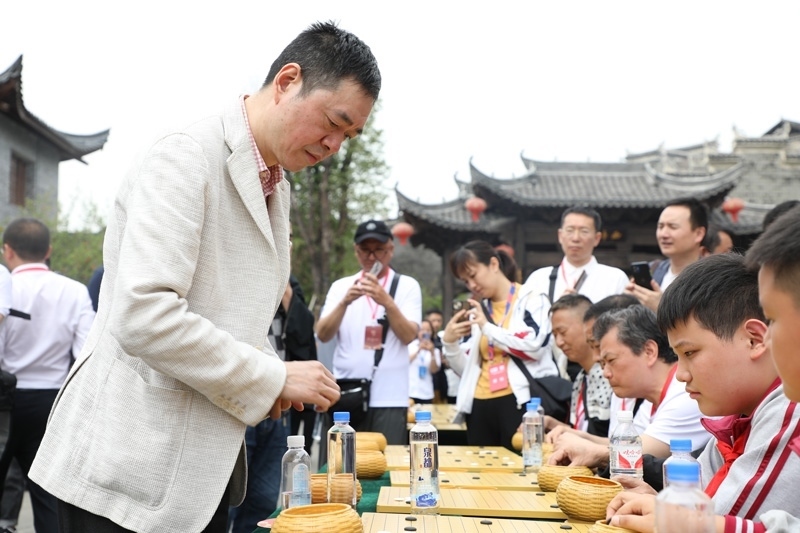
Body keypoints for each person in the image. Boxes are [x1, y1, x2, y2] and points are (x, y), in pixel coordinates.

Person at [29, 21, 378, 533]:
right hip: (129, 464)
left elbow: (231, 314)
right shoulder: (186, 154)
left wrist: (271, 369)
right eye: (333, 122)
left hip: (197, 470)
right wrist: (274, 376)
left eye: (348, 136)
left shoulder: (276, 183)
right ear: (287, 81)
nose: (334, 145)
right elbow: (144, 315)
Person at [606, 253, 800, 532]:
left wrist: (674, 517)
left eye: (690, 353)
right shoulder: (735, 417)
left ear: (754, 339)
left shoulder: (788, 408)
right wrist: (659, 504)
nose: (681, 374)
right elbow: (699, 513)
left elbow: (707, 524)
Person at [0, 218, 96, 533]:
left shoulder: (5, 287)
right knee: (48, 498)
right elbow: (86, 352)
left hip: (5, 399)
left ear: (7, 250)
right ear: (48, 251)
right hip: (52, 403)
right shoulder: (76, 291)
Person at [549, 305, 709, 468]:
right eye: (603, 364)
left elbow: (635, 454)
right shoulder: (650, 398)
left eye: (611, 360)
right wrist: (577, 435)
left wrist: (586, 448)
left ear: (649, 351)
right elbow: (626, 445)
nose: (605, 373)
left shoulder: (686, 395)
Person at [442, 240, 559, 450]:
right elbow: (467, 370)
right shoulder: (478, 310)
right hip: (478, 404)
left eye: (473, 275)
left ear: (494, 264)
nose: (472, 285)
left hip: (520, 400)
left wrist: (488, 328)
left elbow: (535, 346)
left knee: (524, 463)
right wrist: (449, 343)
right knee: (481, 466)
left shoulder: (532, 298)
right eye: (466, 281)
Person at [316, 219, 421, 444]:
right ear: (356, 251)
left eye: (379, 250)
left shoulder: (407, 286)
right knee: (341, 461)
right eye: (365, 250)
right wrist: (344, 302)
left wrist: (387, 302)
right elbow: (323, 334)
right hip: (347, 393)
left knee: (387, 461)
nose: (372, 257)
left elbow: (409, 336)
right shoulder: (341, 287)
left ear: (390, 249)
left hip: (390, 396)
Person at [228, 274, 317, 533]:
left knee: (264, 500)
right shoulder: (237, 276)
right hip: (236, 404)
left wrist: (284, 285)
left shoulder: (288, 285)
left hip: (277, 408)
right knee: (230, 503)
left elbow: (304, 332)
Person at [524, 206, 628, 380]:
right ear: (560, 235)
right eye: (570, 230)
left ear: (597, 238)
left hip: (600, 370)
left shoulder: (615, 278)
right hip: (548, 371)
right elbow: (525, 326)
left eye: (584, 231)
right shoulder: (539, 278)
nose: (576, 238)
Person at [545, 294, 612, 438]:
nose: (559, 342)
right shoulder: (581, 378)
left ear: (587, 326)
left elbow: (613, 439)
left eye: (562, 332)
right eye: (554, 335)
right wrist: (551, 423)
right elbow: (584, 432)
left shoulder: (612, 375)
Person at [626, 198, 707, 311]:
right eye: (660, 226)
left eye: (673, 227)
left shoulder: (713, 279)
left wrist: (661, 308)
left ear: (699, 234)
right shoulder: (653, 270)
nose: (664, 234)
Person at [408, 319, 441, 404]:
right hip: (410, 391)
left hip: (426, 393)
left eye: (428, 330)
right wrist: (418, 350)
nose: (425, 332)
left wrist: (432, 352)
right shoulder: (410, 346)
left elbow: (434, 370)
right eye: (422, 330)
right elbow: (405, 362)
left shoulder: (435, 350)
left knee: (425, 413)